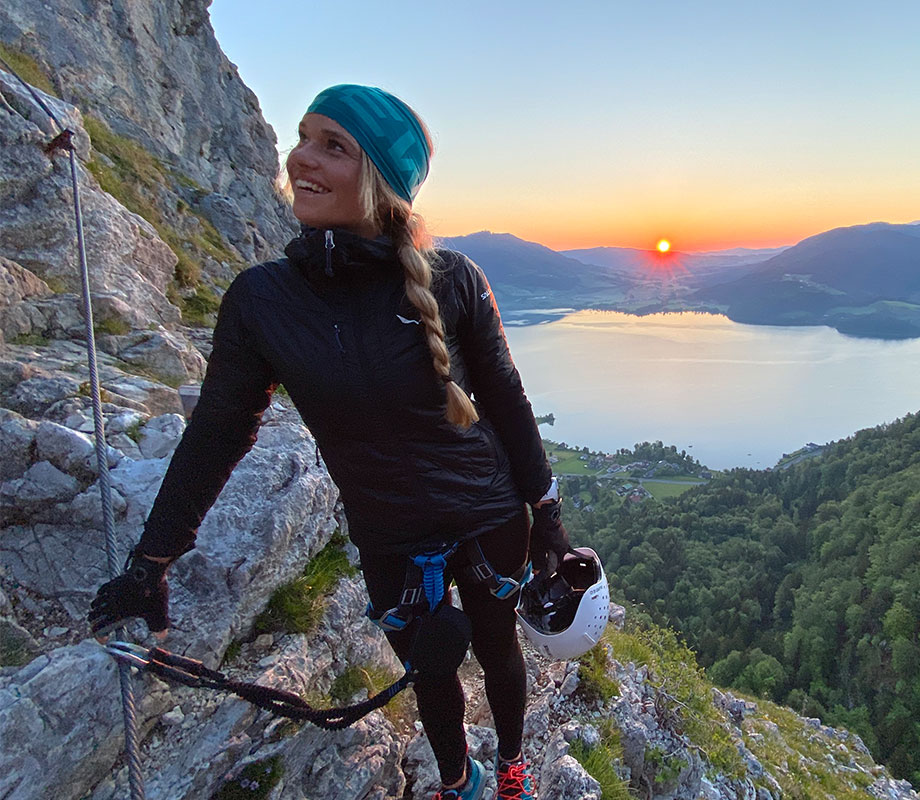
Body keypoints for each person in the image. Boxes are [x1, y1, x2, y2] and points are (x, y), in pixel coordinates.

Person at [88, 84, 571, 800]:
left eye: (332, 145)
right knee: (428, 670)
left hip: (488, 516)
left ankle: (510, 769)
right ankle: (456, 780)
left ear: (378, 180)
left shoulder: (453, 281)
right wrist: (151, 560)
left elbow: (505, 398)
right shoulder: (263, 301)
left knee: (498, 653)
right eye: (303, 136)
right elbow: (217, 433)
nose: (300, 159)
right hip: (388, 534)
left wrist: (547, 514)